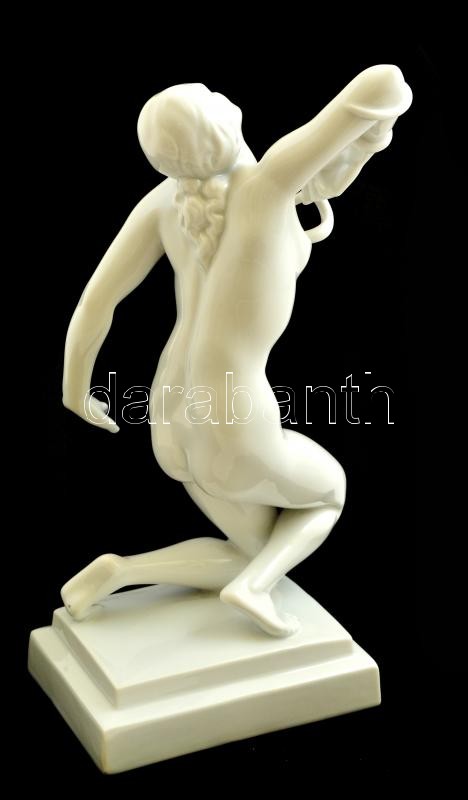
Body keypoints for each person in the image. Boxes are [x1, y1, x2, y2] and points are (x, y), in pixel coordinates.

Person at [61, 66, 412, 636]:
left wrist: (75, 392)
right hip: (233, 416)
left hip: (167, 413)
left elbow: (95, 303)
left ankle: (120, 572)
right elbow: (382, 83)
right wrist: (375, 127)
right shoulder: (269, 183)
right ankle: (253, 588)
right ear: (224, 122)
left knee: (254, 545)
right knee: (329, 495)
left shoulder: (162, 202)